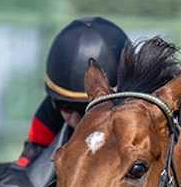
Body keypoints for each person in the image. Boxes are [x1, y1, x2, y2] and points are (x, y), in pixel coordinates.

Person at [16, 16, 130, 165]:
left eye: (86, 109)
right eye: (66, 107)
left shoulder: (145, 113)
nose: (76, 120)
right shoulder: (51, 109)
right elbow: (27, 165)